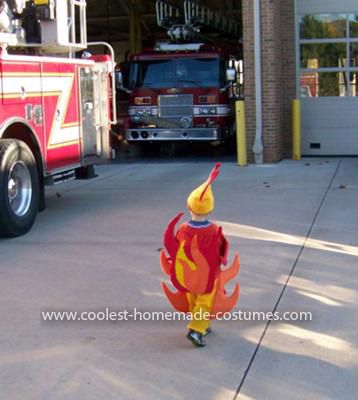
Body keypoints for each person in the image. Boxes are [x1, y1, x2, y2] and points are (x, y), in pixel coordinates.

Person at [160, 163, 240, 347]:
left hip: (187, 276)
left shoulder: (182, 229)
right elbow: (220, 252)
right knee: (205, 300)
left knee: (192, 298)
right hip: (207, 277)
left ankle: (203, 325)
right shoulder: (213, 231)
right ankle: (196, 330)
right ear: (210, 210)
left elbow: (178, 249)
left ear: (189, 207)